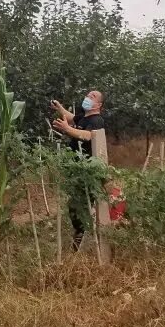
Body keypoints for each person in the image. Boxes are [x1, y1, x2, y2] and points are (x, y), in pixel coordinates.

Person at [51, 90, 106, 248]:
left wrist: (67, 129)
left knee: (79, 204)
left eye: (92, 97)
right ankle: (82, 232)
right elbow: (71, 117)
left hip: (87, 170)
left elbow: (88, 135)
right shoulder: (84, 117)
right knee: (76, 203)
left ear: (99, 105)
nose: (88, 97)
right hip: (78, 169)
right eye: (88, 95)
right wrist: (60, 108)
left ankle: (82, 233)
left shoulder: (97, 120)